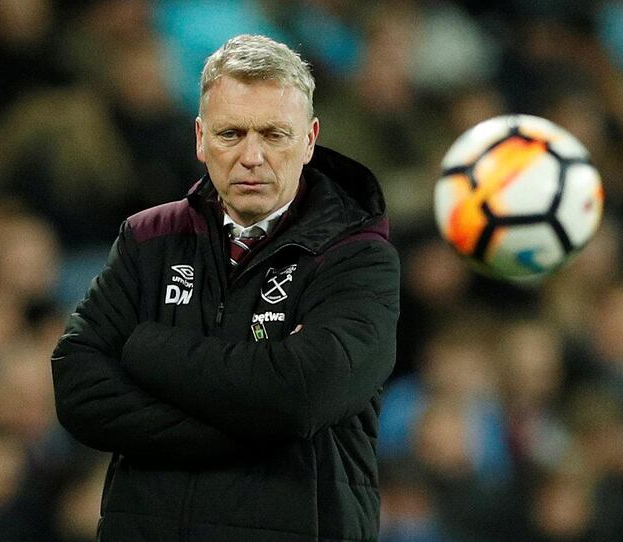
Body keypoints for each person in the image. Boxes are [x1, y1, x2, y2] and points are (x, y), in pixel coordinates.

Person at [51, 34, 400, 541]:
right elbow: (78, 389)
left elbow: (303, 395)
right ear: (199, 137)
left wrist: (146, 347)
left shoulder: (358, 257)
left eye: (274, 134)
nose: (252, 156)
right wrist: (258, 422)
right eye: (231, 133)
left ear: (309, 139)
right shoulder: (148, 238)